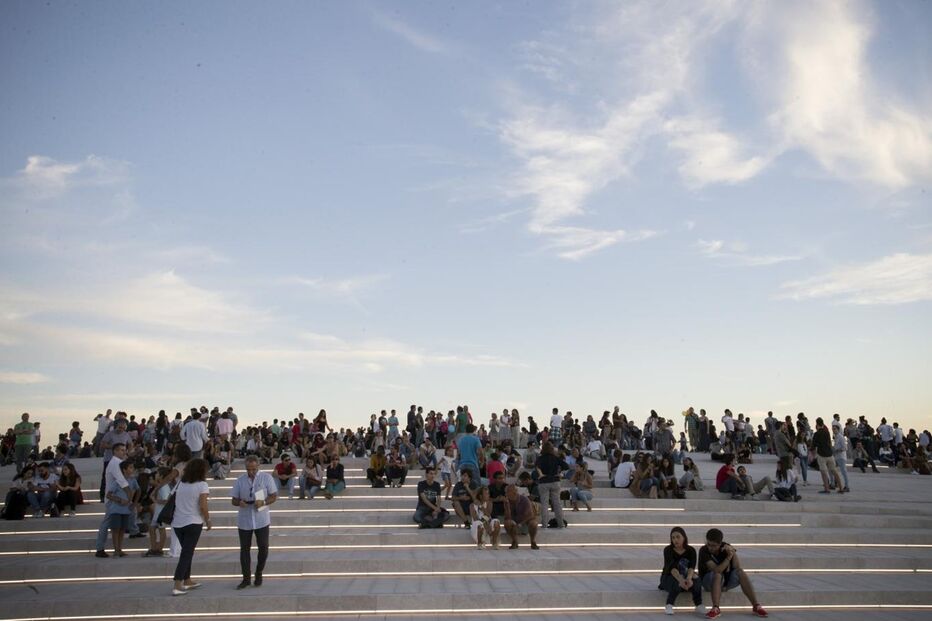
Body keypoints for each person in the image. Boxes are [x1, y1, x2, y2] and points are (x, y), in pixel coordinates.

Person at [698, 528, 768, 619]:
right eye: (709, 544)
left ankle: (756, 605)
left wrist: (732, 553)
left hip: (725, 581)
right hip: (708, 582)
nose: (711, 547)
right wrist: (728, 558)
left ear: (720, 544)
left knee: (740, 572)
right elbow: (717, 570)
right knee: (718, 575)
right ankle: (716, 608)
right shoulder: (703, 551)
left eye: (714, 545)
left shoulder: (726, 547)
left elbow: (737, 567)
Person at [231, 455, 277, 589]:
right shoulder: (240, 480)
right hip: (245, 519)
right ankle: (246, 578)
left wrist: (264, 502)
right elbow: (233, 500)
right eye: (248, 470)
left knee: (263, 547)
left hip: (261, 518)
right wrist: (239, 502)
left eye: (253, 469)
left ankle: (259, 572)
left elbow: (274, 496)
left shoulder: (266, 478)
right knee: (244, 549)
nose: (251, 472)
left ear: (258, 467)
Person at [170, 458, 211, 596]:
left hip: (178, 523)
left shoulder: (181, 483)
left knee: (187, 552)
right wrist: (208, 520)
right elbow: (203, 506)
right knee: (187, 552)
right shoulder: (202, 485)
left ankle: (187, 580)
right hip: (193, 522)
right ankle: (177, 583)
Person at [94, 443, 133, 557]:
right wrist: (130, 497)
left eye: (124, 450)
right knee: (107, 524)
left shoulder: (117, 463)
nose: (124, 452)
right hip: (114, 500)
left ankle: (105, 548)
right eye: (121, 450)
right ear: (115, 451)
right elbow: (122, 481)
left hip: (118, 499)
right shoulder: (115, 463)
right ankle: (100, 548)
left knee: (113, 525)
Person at [660, 526, 704, 615]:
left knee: (696, 579)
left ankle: (698, 604)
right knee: (676, 582)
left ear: (684, 537)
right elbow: (672, 569)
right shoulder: (668, 550)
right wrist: (681, 580)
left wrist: (688, 578)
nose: (675, 540)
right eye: (673, 538)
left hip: (685, 576)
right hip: (669, 577)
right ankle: (669, 604)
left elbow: (692, 567)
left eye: (678, 537)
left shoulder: (691, 550)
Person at [102, 461, 136, 557]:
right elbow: (108, 495)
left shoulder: (132, 480)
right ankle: (116, 549)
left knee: (122, 530)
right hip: (116, 510)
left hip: (126, 510)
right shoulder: (117, 482)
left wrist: (133, 501)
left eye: (132, 467)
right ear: (124, 470)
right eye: (130, 467)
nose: (132, 469)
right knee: (115, 530)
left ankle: (120, 549)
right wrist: (120, 500)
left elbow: (137, 490)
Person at [536, 441, 568, 530]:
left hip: (544, 481)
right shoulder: (556, 458)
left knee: (544, 504)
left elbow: (537, 468)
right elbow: (566, 466)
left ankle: (544, 524)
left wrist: (541, 474)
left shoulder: (540, 458)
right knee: (557, 503)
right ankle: (561, 524)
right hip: (555, 480)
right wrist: (560, 473)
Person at [145, 466, 172, 557]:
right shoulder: (161, 486)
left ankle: (159, 549)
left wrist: (156, 501)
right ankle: (154, 548)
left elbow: (166, 500)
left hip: (161, 513)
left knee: (161, 530)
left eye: (157, 474)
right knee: (152, 528)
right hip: (158, 512)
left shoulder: (164, 487)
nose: (155, 475)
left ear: (161, 476)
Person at [812, 417, 844, 494]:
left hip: (821, 455)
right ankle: (841, 488)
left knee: (824, 472)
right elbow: (829, 442)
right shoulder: (827, 432)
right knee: (834, 471)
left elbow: (814, 445)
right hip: (830, 454)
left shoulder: (816, 434)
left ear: (817, 424)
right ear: (823, 423)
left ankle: (827, 489)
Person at [503, 484, 539, 550]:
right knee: (507, 523)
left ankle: (533, 541)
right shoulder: (506, 501)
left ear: (514, 492)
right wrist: (507, 507)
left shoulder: (524, 500)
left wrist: (521, 524)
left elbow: (530, 515)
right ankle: (515, 541)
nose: (506, 493)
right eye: (506, 492)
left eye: (508, 491)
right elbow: (507, 517)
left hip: (525, 520)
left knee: (534, 523)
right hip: (514, 520)